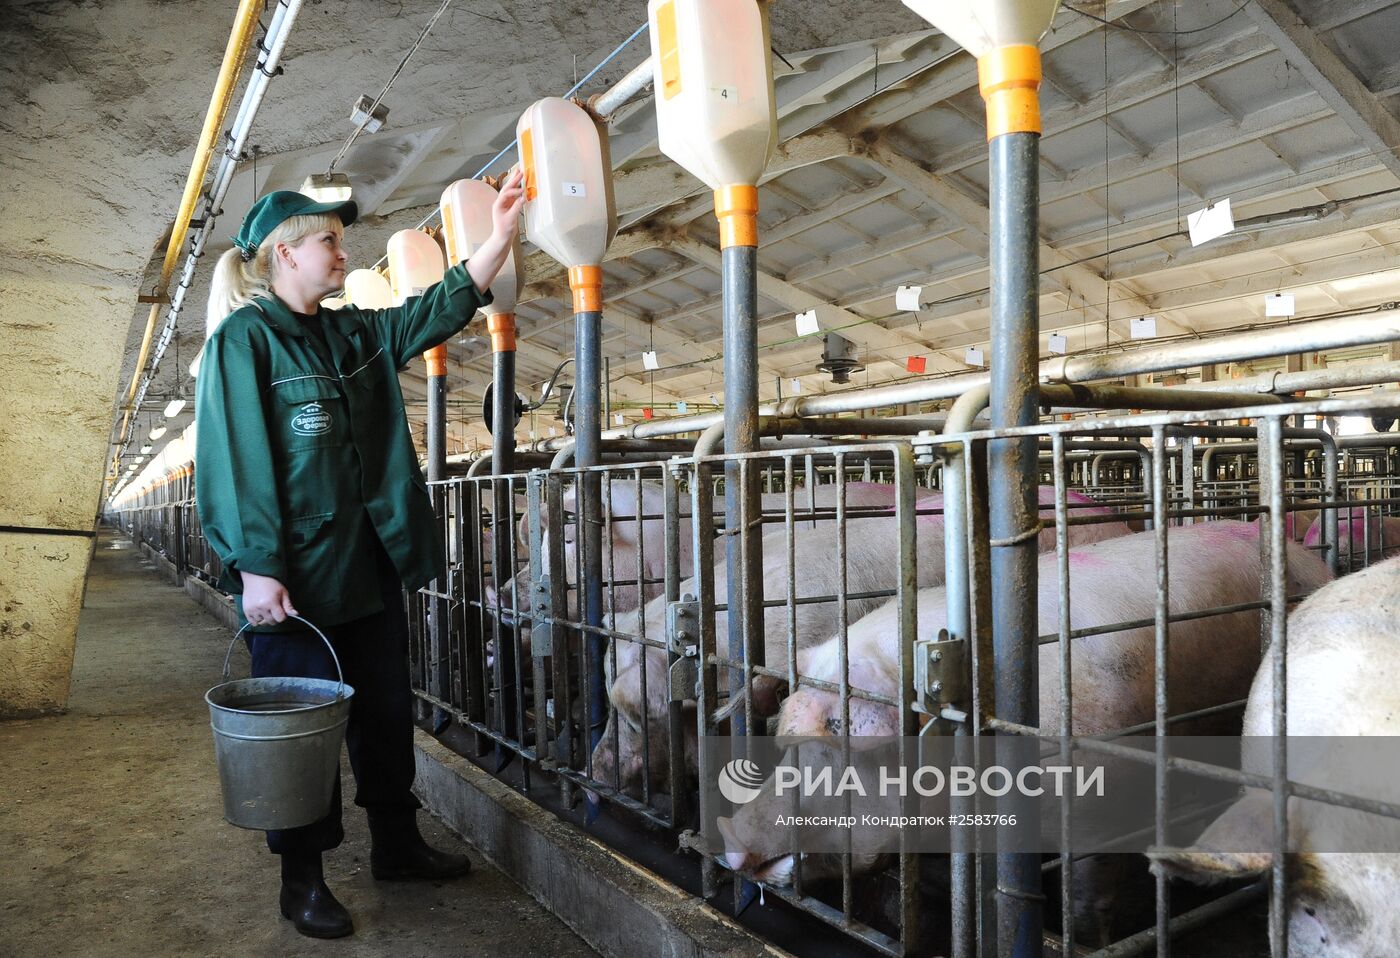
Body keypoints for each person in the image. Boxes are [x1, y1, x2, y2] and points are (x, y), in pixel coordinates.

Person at [195, 170, 524, 939]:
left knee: (384, 713)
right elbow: (237, 459)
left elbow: (433, 311)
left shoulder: (351, 333)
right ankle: (301, 877)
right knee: (301, 732)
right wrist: (257, 565)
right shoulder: (244, 342)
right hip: (296, 584)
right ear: (284, 254)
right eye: (329, 241)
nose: (342, 253)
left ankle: (397, 844)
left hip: (368, 565)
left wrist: (499, 236)